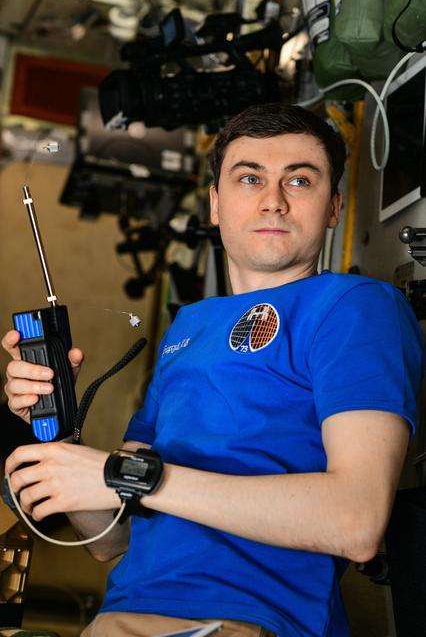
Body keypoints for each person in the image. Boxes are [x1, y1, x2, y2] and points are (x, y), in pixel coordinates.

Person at [2, 103, 424, 637]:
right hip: (119, 617)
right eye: (250, 178)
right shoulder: (189, 326)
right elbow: (111, 540)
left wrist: (129, 477)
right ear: (216, 204)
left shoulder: (356, 306)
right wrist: (60, 431)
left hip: (246, 620)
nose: (273, 200)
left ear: (334, 206)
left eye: (299, 180)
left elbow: (356, 521)